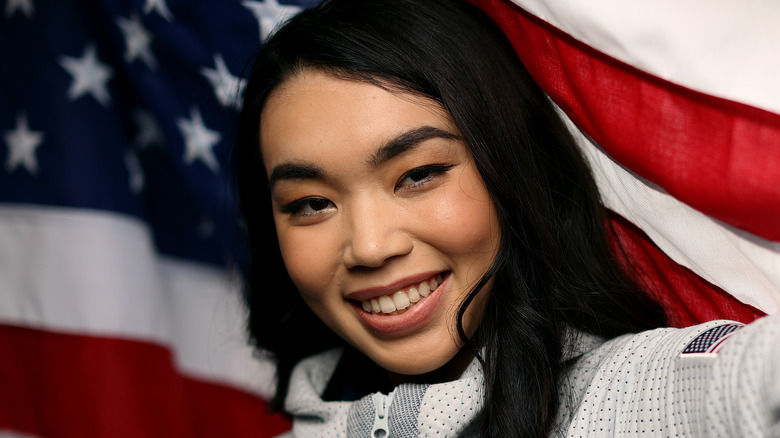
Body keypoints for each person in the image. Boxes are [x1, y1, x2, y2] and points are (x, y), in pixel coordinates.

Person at [234, 0, 780, 436]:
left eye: (419, 174)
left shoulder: (634, 401)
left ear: (510, 169)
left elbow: (747, 381)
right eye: (310, 204)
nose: (371, 247)